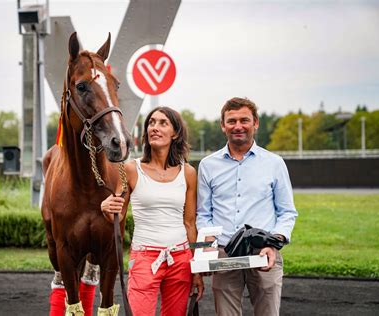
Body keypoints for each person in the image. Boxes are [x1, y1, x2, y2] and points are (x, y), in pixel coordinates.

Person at [196, 97, 298, 316]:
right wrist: (206, 252)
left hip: (264, 252)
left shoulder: (274, 163)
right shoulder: (207, 165)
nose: (238, 126)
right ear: (223, 125)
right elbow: (204, 214)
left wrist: (275, 244)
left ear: (256, 123)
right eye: (231, 121)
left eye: (244, 120)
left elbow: (287, 212)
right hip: (223, 254)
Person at [101, 106, 204, 316]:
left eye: (163, 123)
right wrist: (106, 208)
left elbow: (190, 223)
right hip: (145, 258)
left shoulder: (188, 172)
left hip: (181, 259)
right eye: (151, 123)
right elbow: (118, 214)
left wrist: (197, 269)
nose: (154, 128)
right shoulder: (131, 169)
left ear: (175, 133)